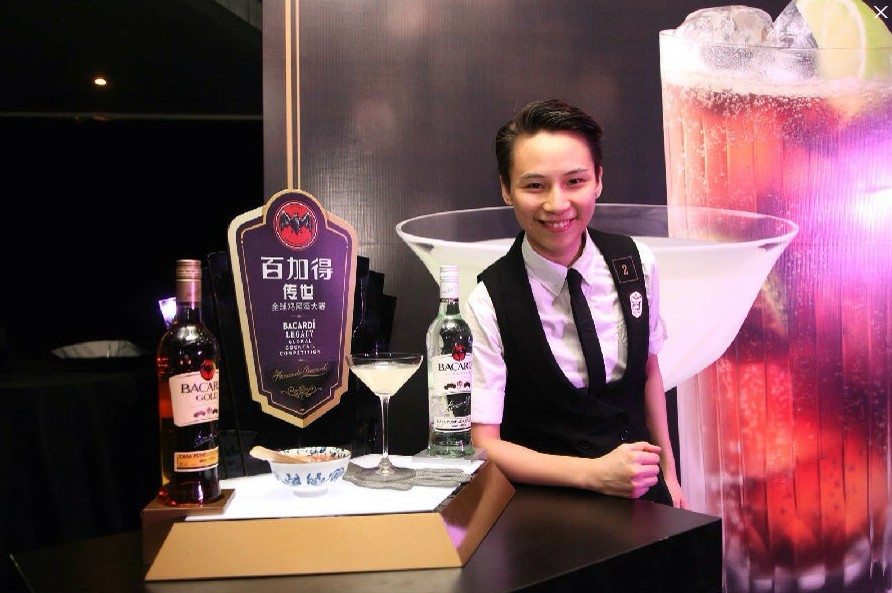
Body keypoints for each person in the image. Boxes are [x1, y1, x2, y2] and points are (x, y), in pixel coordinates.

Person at [466, 98, 687, 508]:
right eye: (535, 185)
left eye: (575, 181)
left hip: (644, 498)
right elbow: (484, 444)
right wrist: (594, 474)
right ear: (506, 189)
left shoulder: (636, 264)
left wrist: (671, 477)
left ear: (598, 179)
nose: (557, 204)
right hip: (546, 512)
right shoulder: (489, 301)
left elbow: (648, 371)